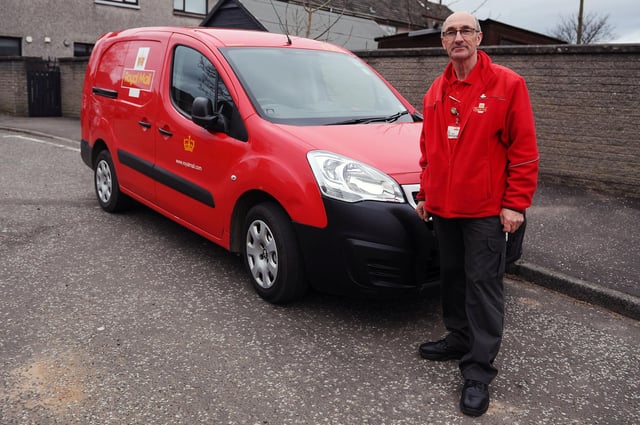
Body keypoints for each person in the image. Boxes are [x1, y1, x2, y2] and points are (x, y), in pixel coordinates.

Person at [415, 11, 539, 417]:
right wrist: (427, 194)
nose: (458, 37)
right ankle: (458, 338)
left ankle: (478, 370)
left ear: (479, 37)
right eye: (450, 32)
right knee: (452, 277)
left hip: (486, 211)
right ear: (443, 43)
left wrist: (515, 203)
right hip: (445, 210)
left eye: (465, 30)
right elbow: (429, 150)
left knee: (483, 286)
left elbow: (523, 151)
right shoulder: (436, 90)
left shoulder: (507, 85)